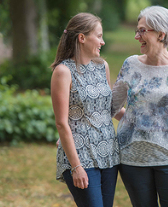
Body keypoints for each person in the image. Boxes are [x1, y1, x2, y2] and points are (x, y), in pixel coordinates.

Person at [112, 6, 168, 207]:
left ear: (161, 34)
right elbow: (111, 107)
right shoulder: (130, 64)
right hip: (132, 158)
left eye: (142, 30)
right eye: (137, 30)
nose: (137, 36)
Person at [51, 13, 119, 207]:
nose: (103, 42)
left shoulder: (102, 66)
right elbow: (61, 122)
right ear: (82, 38)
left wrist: (139, 119)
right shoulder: (63, 72)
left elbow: (109, 108)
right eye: (98, 36)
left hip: (108, 154)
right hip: (80, 156)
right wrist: (76, 166)